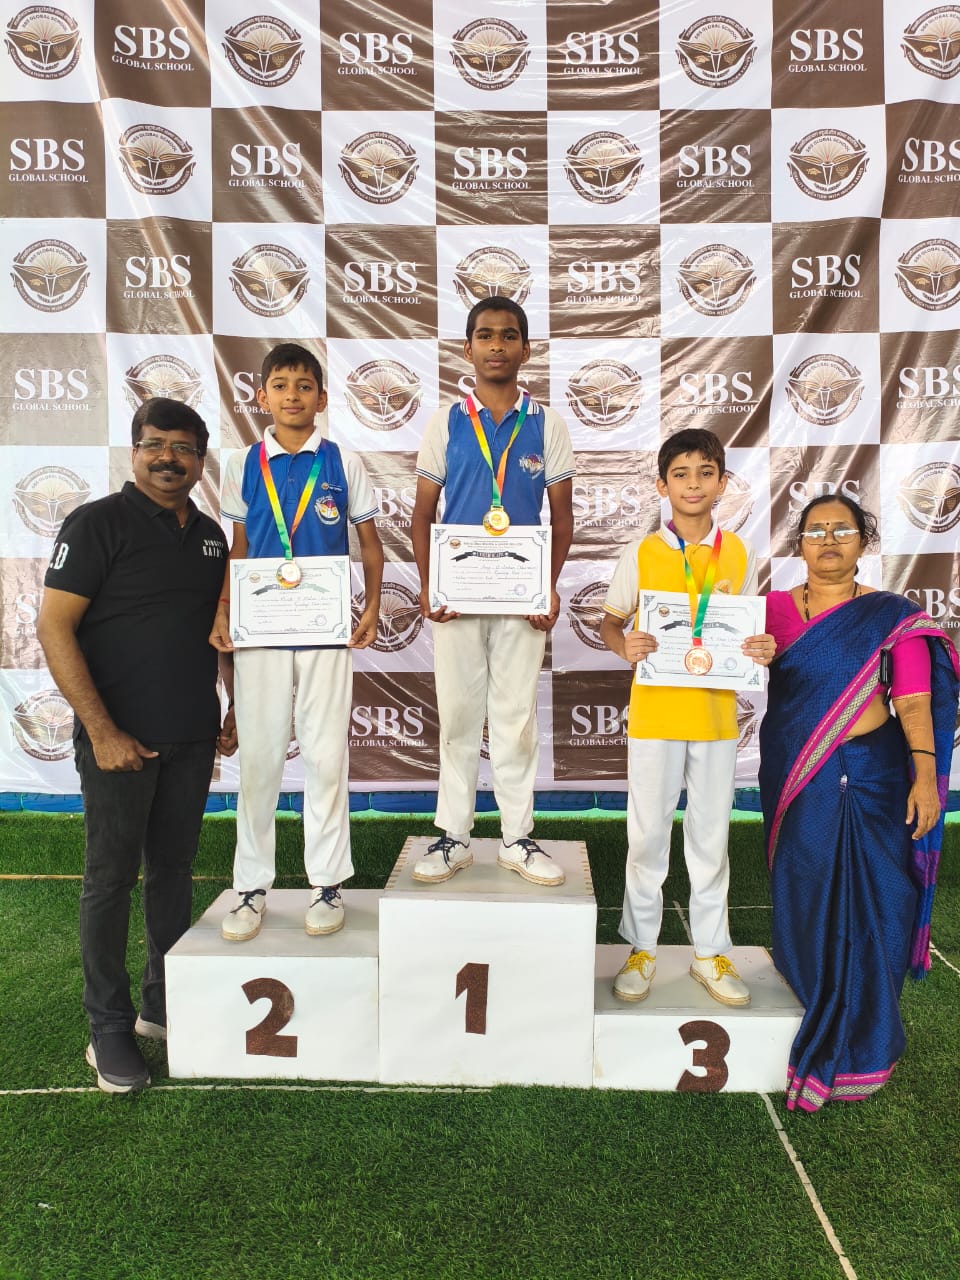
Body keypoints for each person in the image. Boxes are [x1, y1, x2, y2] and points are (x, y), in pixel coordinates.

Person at [37, 397, 235, 1094]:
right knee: (111, 879)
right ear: (134, 451)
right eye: (155, 445)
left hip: (191, 734)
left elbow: (221, 631)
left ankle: (161, 1004)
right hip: (118, 741)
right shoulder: (96, 523)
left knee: (173, 871)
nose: (168, 459)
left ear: (200, 461)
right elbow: (53, 627)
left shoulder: (211, 536)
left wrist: (231, 707)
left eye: (183, 448)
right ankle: (108, 1028)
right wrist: (102, 730)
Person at [759, 493, 959, 1112]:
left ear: (863, 543)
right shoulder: (767, 611)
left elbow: (915, 701)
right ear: (798, 545)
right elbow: (712, 656)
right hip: (798, 773)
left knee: (881, 899)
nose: (828, 540)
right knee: (806, 885)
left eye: (841, 530)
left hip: (875, 775)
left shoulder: (890, 615)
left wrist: (925, 778)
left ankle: (867, 1036)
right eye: (815, 530)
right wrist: (744, 651)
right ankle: (812, 998)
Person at [209, 343, 383, 942]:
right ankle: (251, 886)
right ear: (261, 396)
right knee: (258, 761)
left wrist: (372, 606)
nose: (292, 396)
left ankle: (327, 883)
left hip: (324, 631)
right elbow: (238, 547)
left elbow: (370, 544)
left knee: (326, 757)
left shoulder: (341, 462)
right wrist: (224, 609)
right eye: (280, 385)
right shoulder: (242, 463)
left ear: (322, 398)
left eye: (304, 386)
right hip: (261, 629)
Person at [599, 428, 775, 1006]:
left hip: (717, 719)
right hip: (655, 716)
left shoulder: (739, 553)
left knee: (710, 838)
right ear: (662, 486)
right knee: (647, 835)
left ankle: (709, 952)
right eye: (681, 474)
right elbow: (610, 622)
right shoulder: (642, 553)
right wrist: (622, 643)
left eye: (705, 472)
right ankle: (642, 948)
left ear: (722, 483)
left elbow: (747, 632)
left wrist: (760, 648)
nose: (693, 484)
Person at [410, 298, 574, 886]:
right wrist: (430, 584)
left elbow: (562, 519)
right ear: (468, 348)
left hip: (519, 598)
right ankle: (453, 836)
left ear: (526, 349)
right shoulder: (446, 421)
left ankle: (516, 837)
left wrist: (546, 589)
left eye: (508, 335)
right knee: (458, 715)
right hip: (456, 597)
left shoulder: (546, 423)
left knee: (514, 718)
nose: (497, 345)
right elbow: (423, 514)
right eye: (485, 335)